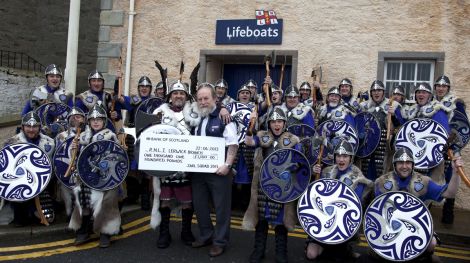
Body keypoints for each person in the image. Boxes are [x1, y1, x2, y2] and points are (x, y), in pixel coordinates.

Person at [373, 147, 462, 261]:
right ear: (395, 164)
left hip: (417, 226)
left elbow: (450, 193)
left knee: (432, 243)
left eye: (408, 162)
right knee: (375, 250)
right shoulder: (382, 182)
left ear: (412, 164)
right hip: (390, 226)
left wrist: (456, 173)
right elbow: (377, 212)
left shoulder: (423, 181)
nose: (404, 166)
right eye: (400, 162)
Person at [243, 107, 300, 263]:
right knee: (262, 219)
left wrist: (295, 168)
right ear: (269, 123)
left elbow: (300, 163)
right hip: (263, 185)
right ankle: (258, 250)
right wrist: (251, 125)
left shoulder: (293, 140)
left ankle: (281, 253)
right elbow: (248, 142)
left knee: (281, 222)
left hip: (283, 187)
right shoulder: (262, 136)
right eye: (273, 121)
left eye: (280, 121)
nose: (277, 124)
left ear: (284, 123)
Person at [150, 80, 200, 248]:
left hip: (187, 166)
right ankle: (164, 233)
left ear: (186, 96)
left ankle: (186, 231)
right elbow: (149, 136)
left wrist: (222, 108)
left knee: (187, 201)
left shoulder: (194, 113)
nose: (178, 96)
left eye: (182, 93)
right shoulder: (159, 112)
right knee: (165, 200)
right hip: (166, 166)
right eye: (175, 93)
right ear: (170, 96)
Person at [190, 83, 238, 257]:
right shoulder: (194, 117)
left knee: (221, 208)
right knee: (200, 205)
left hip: (219, 172)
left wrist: (227, 165)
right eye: (200, 99)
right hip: (197, 172)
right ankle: (206, 235)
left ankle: (220, 241)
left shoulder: (224, 118)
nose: (203, 102)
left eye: (206, 98)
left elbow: (233, 144)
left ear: (215, 99)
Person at [306, 140, 373, 261]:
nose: (341, 160)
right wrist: (314, 174)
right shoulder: (327, 171)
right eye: (338, 156)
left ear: (351, 158)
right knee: (311, 254)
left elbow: (353, 207)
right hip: (324, 220)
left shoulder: (358, 178)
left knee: (336, 258)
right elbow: (315, 196)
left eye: (345, 156)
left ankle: (347, 248)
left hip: (342, 224)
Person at [68, 104, 121, 248]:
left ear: (104, 121)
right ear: (88, 122)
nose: (96, 122)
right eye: (93, 119)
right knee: (84, 202)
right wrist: (74, 149)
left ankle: (105, 233)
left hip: (105, 176)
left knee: (106, 203)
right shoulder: (81, 136)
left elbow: (117, 157)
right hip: (86, 176)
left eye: (99, 119)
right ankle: (83, 230)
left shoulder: (110, 136)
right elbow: (75, 159)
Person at [4, 112, 55, 226]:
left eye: (35, 126)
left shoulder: (50, 143)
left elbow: (52, 166)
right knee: (20, 221)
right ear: (22, 127)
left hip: (43, 185)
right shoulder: (12, 143)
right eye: (28, 126)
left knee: (48, 219)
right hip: (19, 184)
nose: (31, 129)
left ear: (39, 127)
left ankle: (36, 212)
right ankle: (21, 214)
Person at [433, 75, 467, 224]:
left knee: (451, 177)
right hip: (434, 147)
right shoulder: (430, 103)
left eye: (444, 86)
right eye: (438, 86)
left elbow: (462, 125)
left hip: (451, 147)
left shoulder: (455, 103)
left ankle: (448, 212)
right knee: (433, 177)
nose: (440, 88)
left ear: (448, 88)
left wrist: (452, 142)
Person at [358, 80, 405, 180]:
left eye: (379, 90)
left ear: (383, 92)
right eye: (374, 90)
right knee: (365, 173)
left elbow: (400, 127)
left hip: (384, 145)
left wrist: (394, 116)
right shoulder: (363, 106)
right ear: (371, 93)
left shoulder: (393, 105)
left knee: (383, 174)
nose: (376, 92)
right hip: (368, 145)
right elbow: (359, 125)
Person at [55, 107, 86, 219]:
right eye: (72, 117)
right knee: (67, 196)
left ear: (84, 119)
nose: (75, 118)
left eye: (78, 116)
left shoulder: (88, 134)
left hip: (83, 170)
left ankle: (82, 217)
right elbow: (57, 154)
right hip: (66, 170)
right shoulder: (61, 136)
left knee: (82, 197)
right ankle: (69, 214)